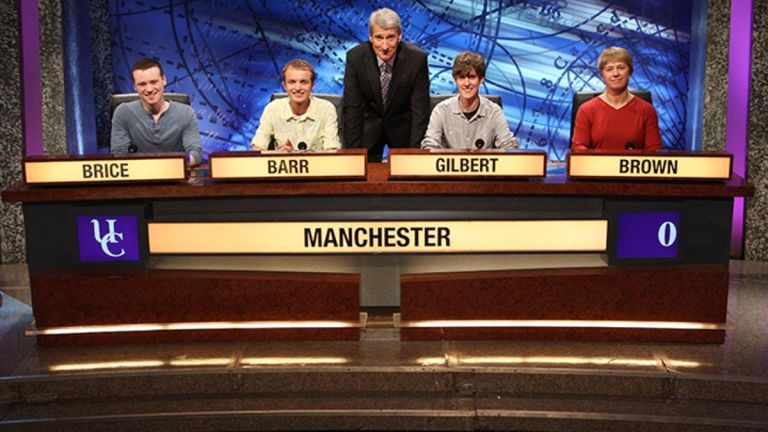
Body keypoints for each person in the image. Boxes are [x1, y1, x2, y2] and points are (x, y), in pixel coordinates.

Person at [343, 8, 430, 161]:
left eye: (390, 37)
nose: (384, 46)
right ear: (370, 37)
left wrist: (415, 152)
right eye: (379, 37)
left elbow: (420, 110)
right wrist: (354, 154)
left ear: (400, 37)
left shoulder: (417, 60)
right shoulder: (355, 58)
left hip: (403, 130)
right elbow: (352, 108)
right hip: (367, 130)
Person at [111, 58, 202, 165]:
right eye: (142, 84)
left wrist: (169, 168)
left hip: (176, 176)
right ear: (134, 86)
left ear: (164, 80)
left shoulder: (186, 112)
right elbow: (119, 155)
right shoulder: (123, 112)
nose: (149, 89)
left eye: (154, 82)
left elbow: (195, 153)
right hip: (139, 177)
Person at [571, 46, 662, 151]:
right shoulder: (586, 110)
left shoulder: (647, 110)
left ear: (630, 72)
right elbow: (579, 148)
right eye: (609, 69)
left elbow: (654, 151)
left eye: (621, 67)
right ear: (602, 76)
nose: (615, 74)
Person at [421, 52, 518, 150]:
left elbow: (508, 146)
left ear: (481, 79)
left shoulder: (494, 111)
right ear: (455, 80)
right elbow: (430, 144)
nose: (466, 83)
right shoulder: (441, 110)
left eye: (472, 77)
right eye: (462, 78)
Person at [251, 59, 341, 152]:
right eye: (292, 82)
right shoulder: (273, 109)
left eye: (303, 82)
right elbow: (257, 148)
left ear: (312, 86)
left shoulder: (326, 109)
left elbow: (332, 151)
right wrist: (278, 154)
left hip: (319, 166)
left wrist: (296, 155)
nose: (297, 88)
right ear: (284, 86)